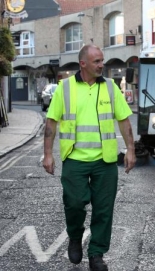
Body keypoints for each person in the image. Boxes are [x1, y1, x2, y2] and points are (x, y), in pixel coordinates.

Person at [43, 44, 136, 270]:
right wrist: (47, 154)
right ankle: (75, 236)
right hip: (74, 158)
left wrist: (130, 149)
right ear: (83, 64)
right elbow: (51, 123)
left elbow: (124, 120)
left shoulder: (112, 88)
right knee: (74, 204)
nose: (101, 65)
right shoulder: (64, 88)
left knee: (104, 210)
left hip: (105, 161)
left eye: (102, 61)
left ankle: (96, 254)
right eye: (96, 61)